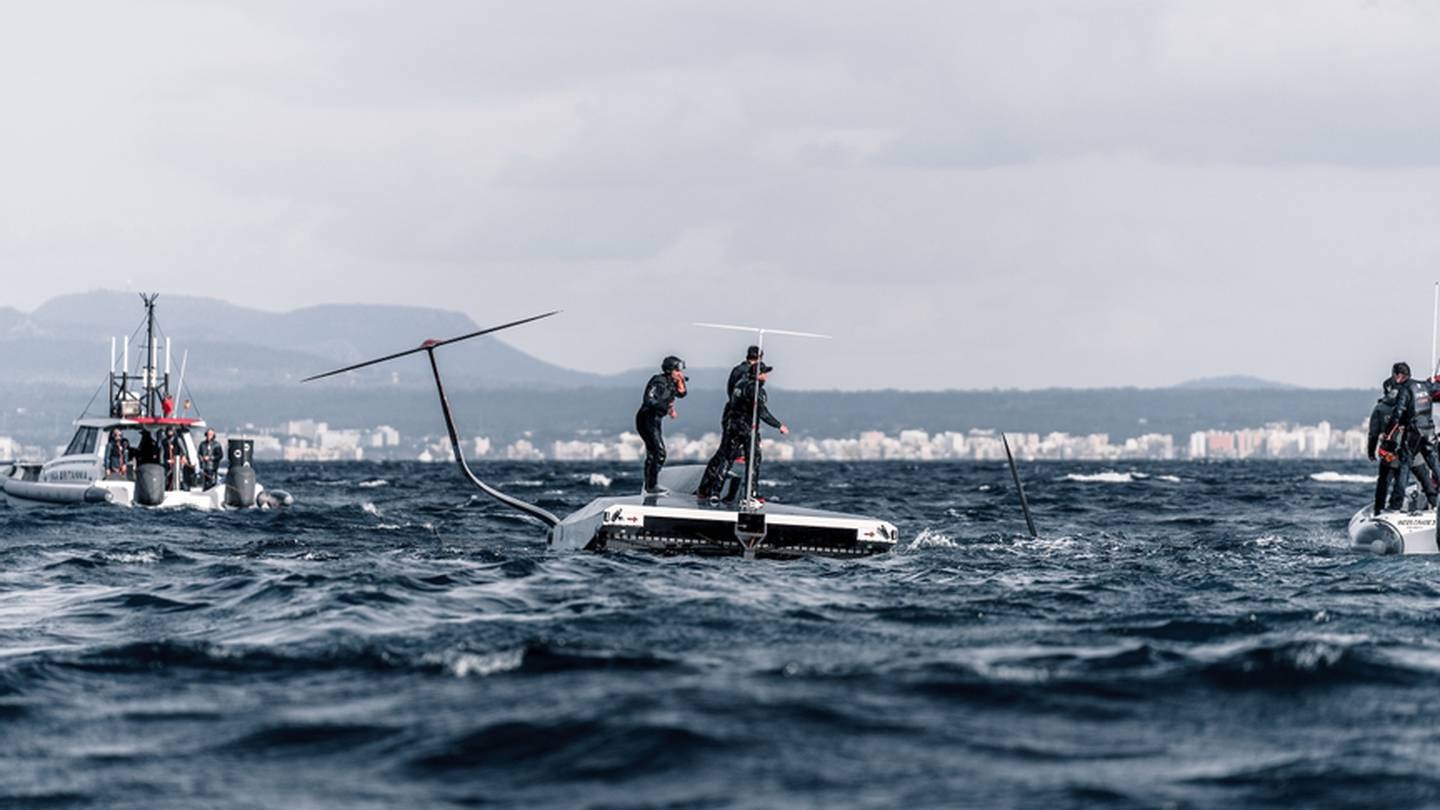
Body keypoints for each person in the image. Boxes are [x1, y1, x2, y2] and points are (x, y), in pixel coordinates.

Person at [698, 363, 789, 501]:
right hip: (747, 429)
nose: (766, 376)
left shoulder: (740, 384)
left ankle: (715, 492)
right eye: (764, 373)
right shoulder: (756, 390)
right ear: (758, 375)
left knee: (727, 460)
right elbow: (762, 412)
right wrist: (779, 425)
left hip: (732, 426)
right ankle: (751, 494)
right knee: (753, 461)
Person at [1385, 362, 1440, 509]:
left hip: (1414, 433)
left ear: (1398, 376)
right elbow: (1436, 387)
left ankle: (1395, 505)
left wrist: (1387, 432)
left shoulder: (1405, 389)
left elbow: (1398, 413)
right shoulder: (1425, 386)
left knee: (1404, 466)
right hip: (1429, 431)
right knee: (1435, 465)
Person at [635, 355, 687, 495]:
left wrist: (681, 384)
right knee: (659, 453)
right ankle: (651, 486)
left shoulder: (671, 383)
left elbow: (681, 394)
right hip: (647, 418)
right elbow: (648, 400)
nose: (680, 374)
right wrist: (664, 407)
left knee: (653, 453)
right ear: (670, 370)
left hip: (655, 419)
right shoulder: (658, 381)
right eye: (677, 371)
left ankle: (650, 485)